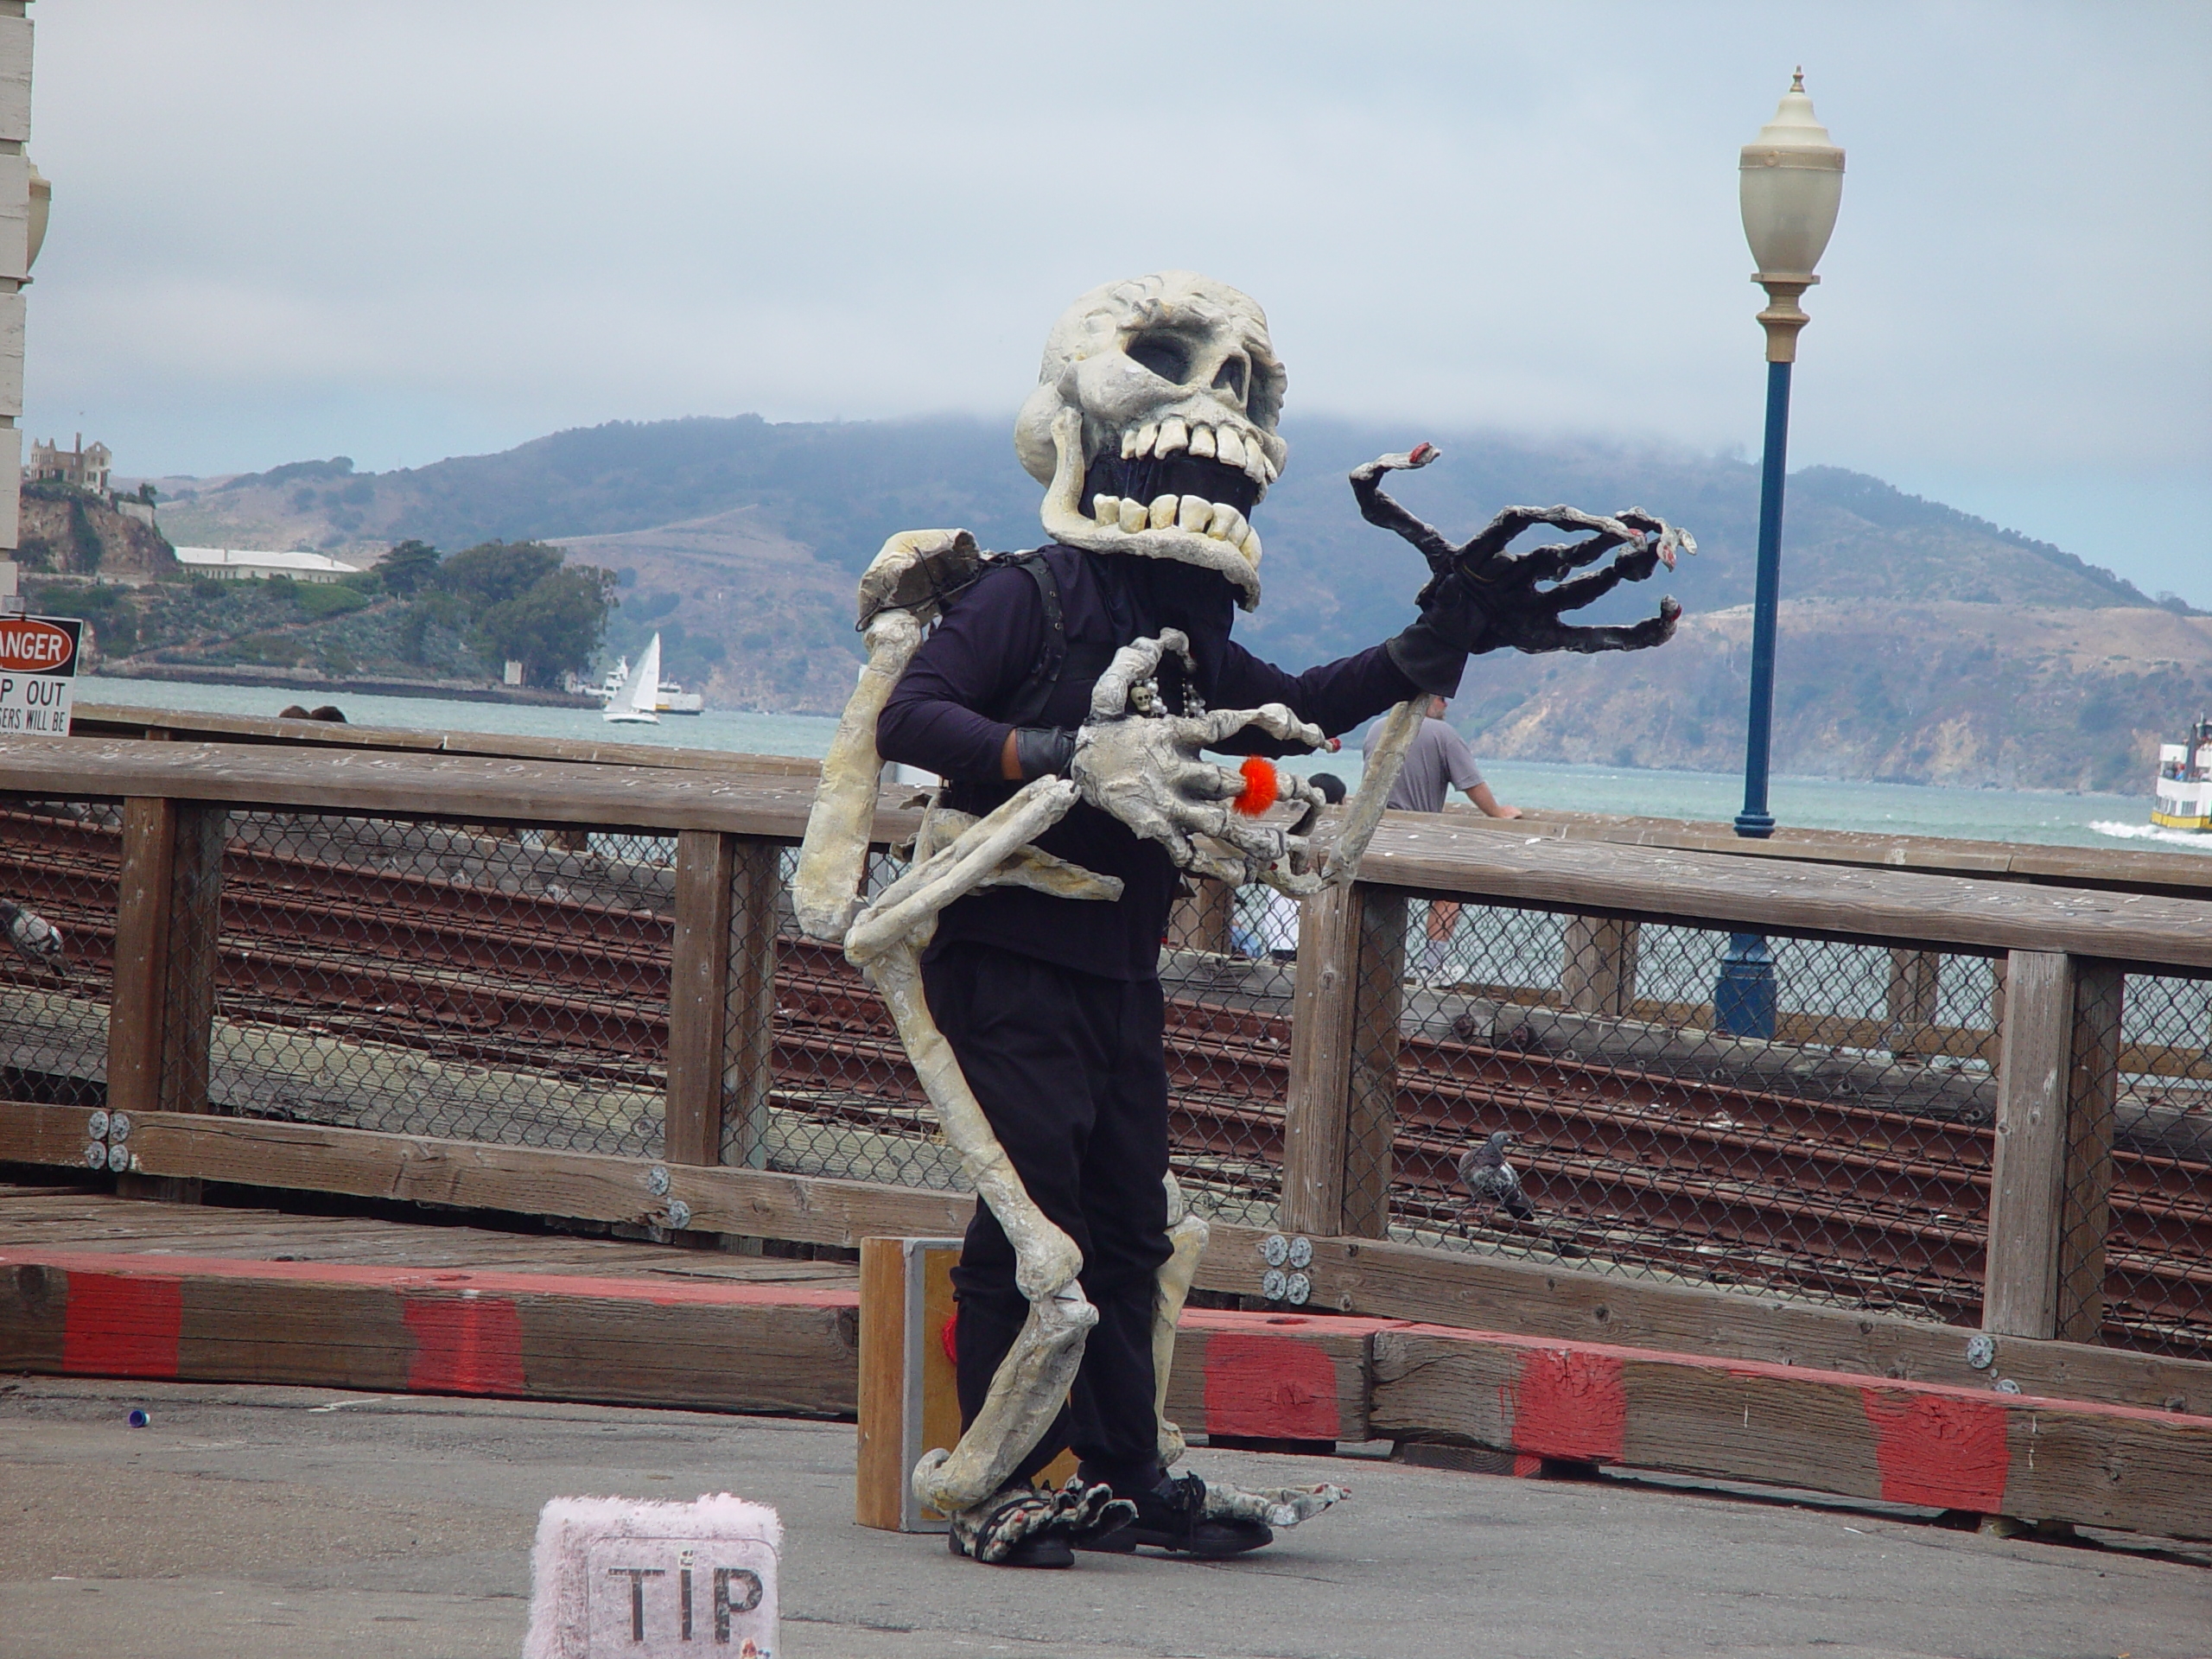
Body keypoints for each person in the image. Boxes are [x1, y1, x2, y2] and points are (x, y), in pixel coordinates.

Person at [878, 537, 1463, 1564]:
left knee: (1129, 1220)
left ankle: (1125, 1471)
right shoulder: (1035, 596)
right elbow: (914, 713)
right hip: (1007, 941)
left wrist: (1428, 644)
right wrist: (1060, 753)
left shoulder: (1187, 637)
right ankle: (995, 1483)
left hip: (1120, 961)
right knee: (1032, 1210)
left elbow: (1299, 708)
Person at [1361, 696, 1519, 982]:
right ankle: (1431, 967)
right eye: (1442, 698)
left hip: (1375, 834)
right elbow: (1471, 783)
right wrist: (1497, 813)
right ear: (1427, 699)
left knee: (1381, 896)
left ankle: (1371, 965)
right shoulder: (1444, 733)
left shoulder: (1377, 729)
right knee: (1449, 890)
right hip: (1419, 835)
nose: (1446, 705)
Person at [1250, 772, 1345, 961]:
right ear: (1334, 806)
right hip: (1310, 938)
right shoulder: (1326, 841)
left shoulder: (1287, 836)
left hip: (1277, 936)